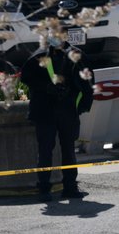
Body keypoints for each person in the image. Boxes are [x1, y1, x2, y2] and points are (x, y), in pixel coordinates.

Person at [21, 37, 94, 202]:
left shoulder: (76, 55)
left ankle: (70, 187)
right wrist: (46, 87)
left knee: (68, 149)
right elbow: (26, 77)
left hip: (67, 110)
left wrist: (80, 106)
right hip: (45, 110)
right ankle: (44, 189)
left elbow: (88, 84)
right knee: (45, 150)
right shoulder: (39, 56)